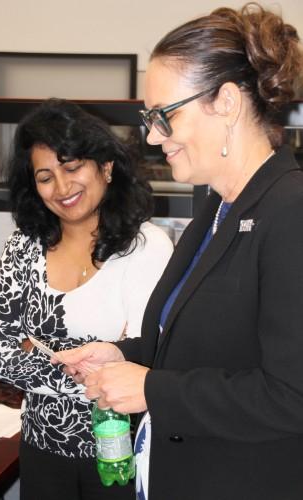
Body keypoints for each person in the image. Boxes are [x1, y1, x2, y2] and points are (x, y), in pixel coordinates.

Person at [53, 4, 303, 500]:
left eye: (165, 116)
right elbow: (208, 345)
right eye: (150, 118)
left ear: (227, 102)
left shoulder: (291, 211)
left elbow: (291, 395)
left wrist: (150, 389)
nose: (151, 136)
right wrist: (124, 357)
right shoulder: (216, 208)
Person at [0, 98, 173, 500]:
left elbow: (146, 359)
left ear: (105, 167)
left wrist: (36, 349)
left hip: (119, 453)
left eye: (72, 167)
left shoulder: (146, 246)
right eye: (45, 176)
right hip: (40, 449)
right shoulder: (25, 245)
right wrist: (91, 362)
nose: (62, 187)